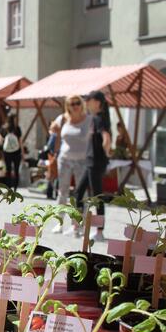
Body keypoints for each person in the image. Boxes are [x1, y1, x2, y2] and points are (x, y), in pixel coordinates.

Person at [76, 91, 112, 242]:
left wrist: (106, 151)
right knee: (79, 192)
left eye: (88, 100)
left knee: (97, 197)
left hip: (96, 162)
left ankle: (99, 231)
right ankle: (77, 225)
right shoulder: (94, 118)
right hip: (90, 162)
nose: (86, 103)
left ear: (97, 102)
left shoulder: (99, 118)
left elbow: (107, 138)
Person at [52, 94, 91, 236]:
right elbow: (53, 131)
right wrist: (54, 128)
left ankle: (79, 224)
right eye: (71, 104)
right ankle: (59, 223)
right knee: (63, 191)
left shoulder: (89, 120)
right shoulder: (63, 118)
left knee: (81, 193)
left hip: (82, 160)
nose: (74, 106)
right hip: (64, 159)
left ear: (82, 104)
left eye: (77, 103)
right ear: (67, 106)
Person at [0, 113, 22, 191]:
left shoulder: (4, 128)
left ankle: (8, 187)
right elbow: (20, 142)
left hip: (7, 152)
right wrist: (22, 152)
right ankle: (15, 188)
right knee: (16, 170)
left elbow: (0, 140)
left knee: (8, 170)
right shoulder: (17, 128)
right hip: (16, 151)